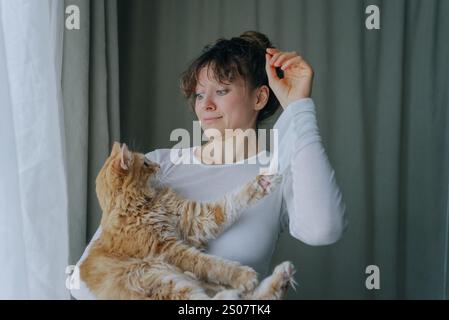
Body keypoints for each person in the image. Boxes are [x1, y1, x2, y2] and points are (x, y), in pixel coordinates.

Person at [70, 31, 347, 299]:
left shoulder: (275, 175)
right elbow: (83, 281)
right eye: (200, 95)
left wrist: (298, 106)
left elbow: (324, 229)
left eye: (222, 91)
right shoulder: (157, 165)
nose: (206, 105)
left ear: (259, 98)